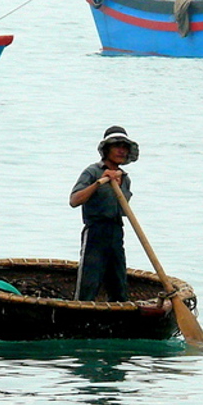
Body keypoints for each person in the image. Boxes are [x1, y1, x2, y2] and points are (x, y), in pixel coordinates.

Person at [69, 126, 139, 301]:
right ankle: (81, 311)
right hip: (95, 232)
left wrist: (118, 185)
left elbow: (123, 210)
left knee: (119, 284)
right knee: (89, 282)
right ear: (107, 149)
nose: (121, 151)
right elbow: (74, 200)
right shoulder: (92, 172)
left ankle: (118, 311)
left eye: (124, 147)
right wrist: (100, 182)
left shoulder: (125, 179)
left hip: (116, 232)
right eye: (117, 146)